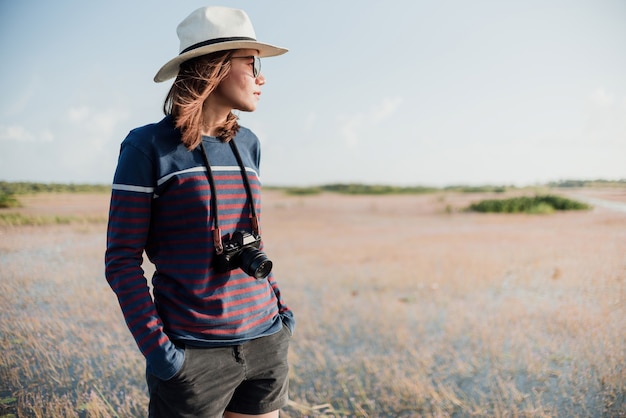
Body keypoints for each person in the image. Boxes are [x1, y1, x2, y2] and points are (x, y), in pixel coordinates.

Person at [104, 6, 294, 417]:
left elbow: (252, 238)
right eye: (251, 62)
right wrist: (165, 358)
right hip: (193, 357)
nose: (262, 77)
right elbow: (121, 262)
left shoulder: (249, 145)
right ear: (215, 68)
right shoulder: (147, 148)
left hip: (266, 343)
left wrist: (282, 316)